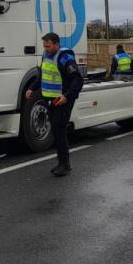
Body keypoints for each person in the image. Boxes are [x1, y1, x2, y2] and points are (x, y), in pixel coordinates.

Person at [26, 32, 84, 176]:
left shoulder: (65, 58)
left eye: (48, 46)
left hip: (62, 100)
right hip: (50, 100)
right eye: (44, 46)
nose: (46, 48)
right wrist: (31, 88)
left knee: (59, 130)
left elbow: (77, 80)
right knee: (56, 131)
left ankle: (65, 164)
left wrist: (66, 96)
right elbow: (41, 76)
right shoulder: (45, 55)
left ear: (57, 44)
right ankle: (61, 163)